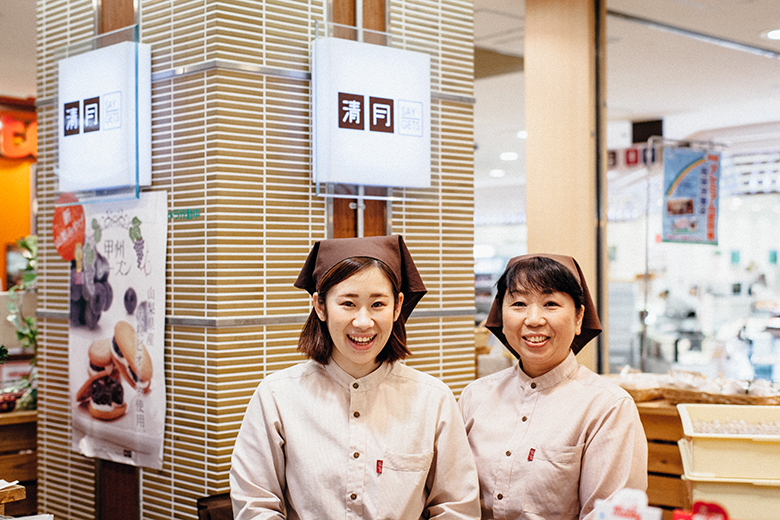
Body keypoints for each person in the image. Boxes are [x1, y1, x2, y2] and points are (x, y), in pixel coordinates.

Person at [230, 235, 481, 520]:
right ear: (321, 306)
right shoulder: (276, 396)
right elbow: (255, 506)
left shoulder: (433, 399)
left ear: (397, 306)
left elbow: (457, 509)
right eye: (348, 303)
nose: (363, 322)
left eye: (377, 305)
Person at [459, 253, 647, 520]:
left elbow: (609, 515)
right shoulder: (474, 397)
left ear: (579, 317)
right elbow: (453, 501)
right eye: (519, 303)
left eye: (550, 304)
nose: (533, 319)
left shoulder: (608, 407)